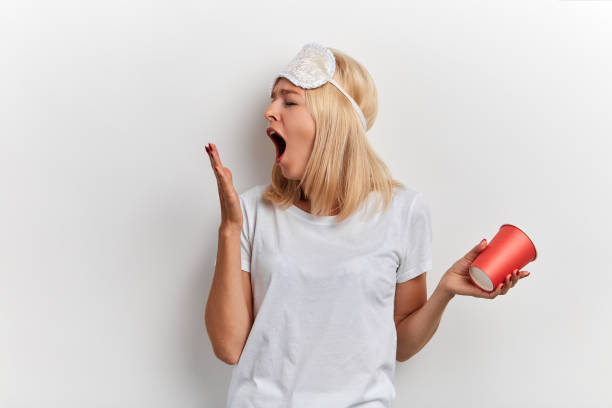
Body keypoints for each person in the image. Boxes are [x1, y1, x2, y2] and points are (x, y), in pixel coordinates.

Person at [204, 43, 530, 408]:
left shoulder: (403, 212)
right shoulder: (251, 210)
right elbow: (229, 348)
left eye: (289, 101)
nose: (269, 112)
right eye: (272, 100)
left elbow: (401, 346)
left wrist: (444, 293)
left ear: (332, 120)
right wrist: (230, 228)